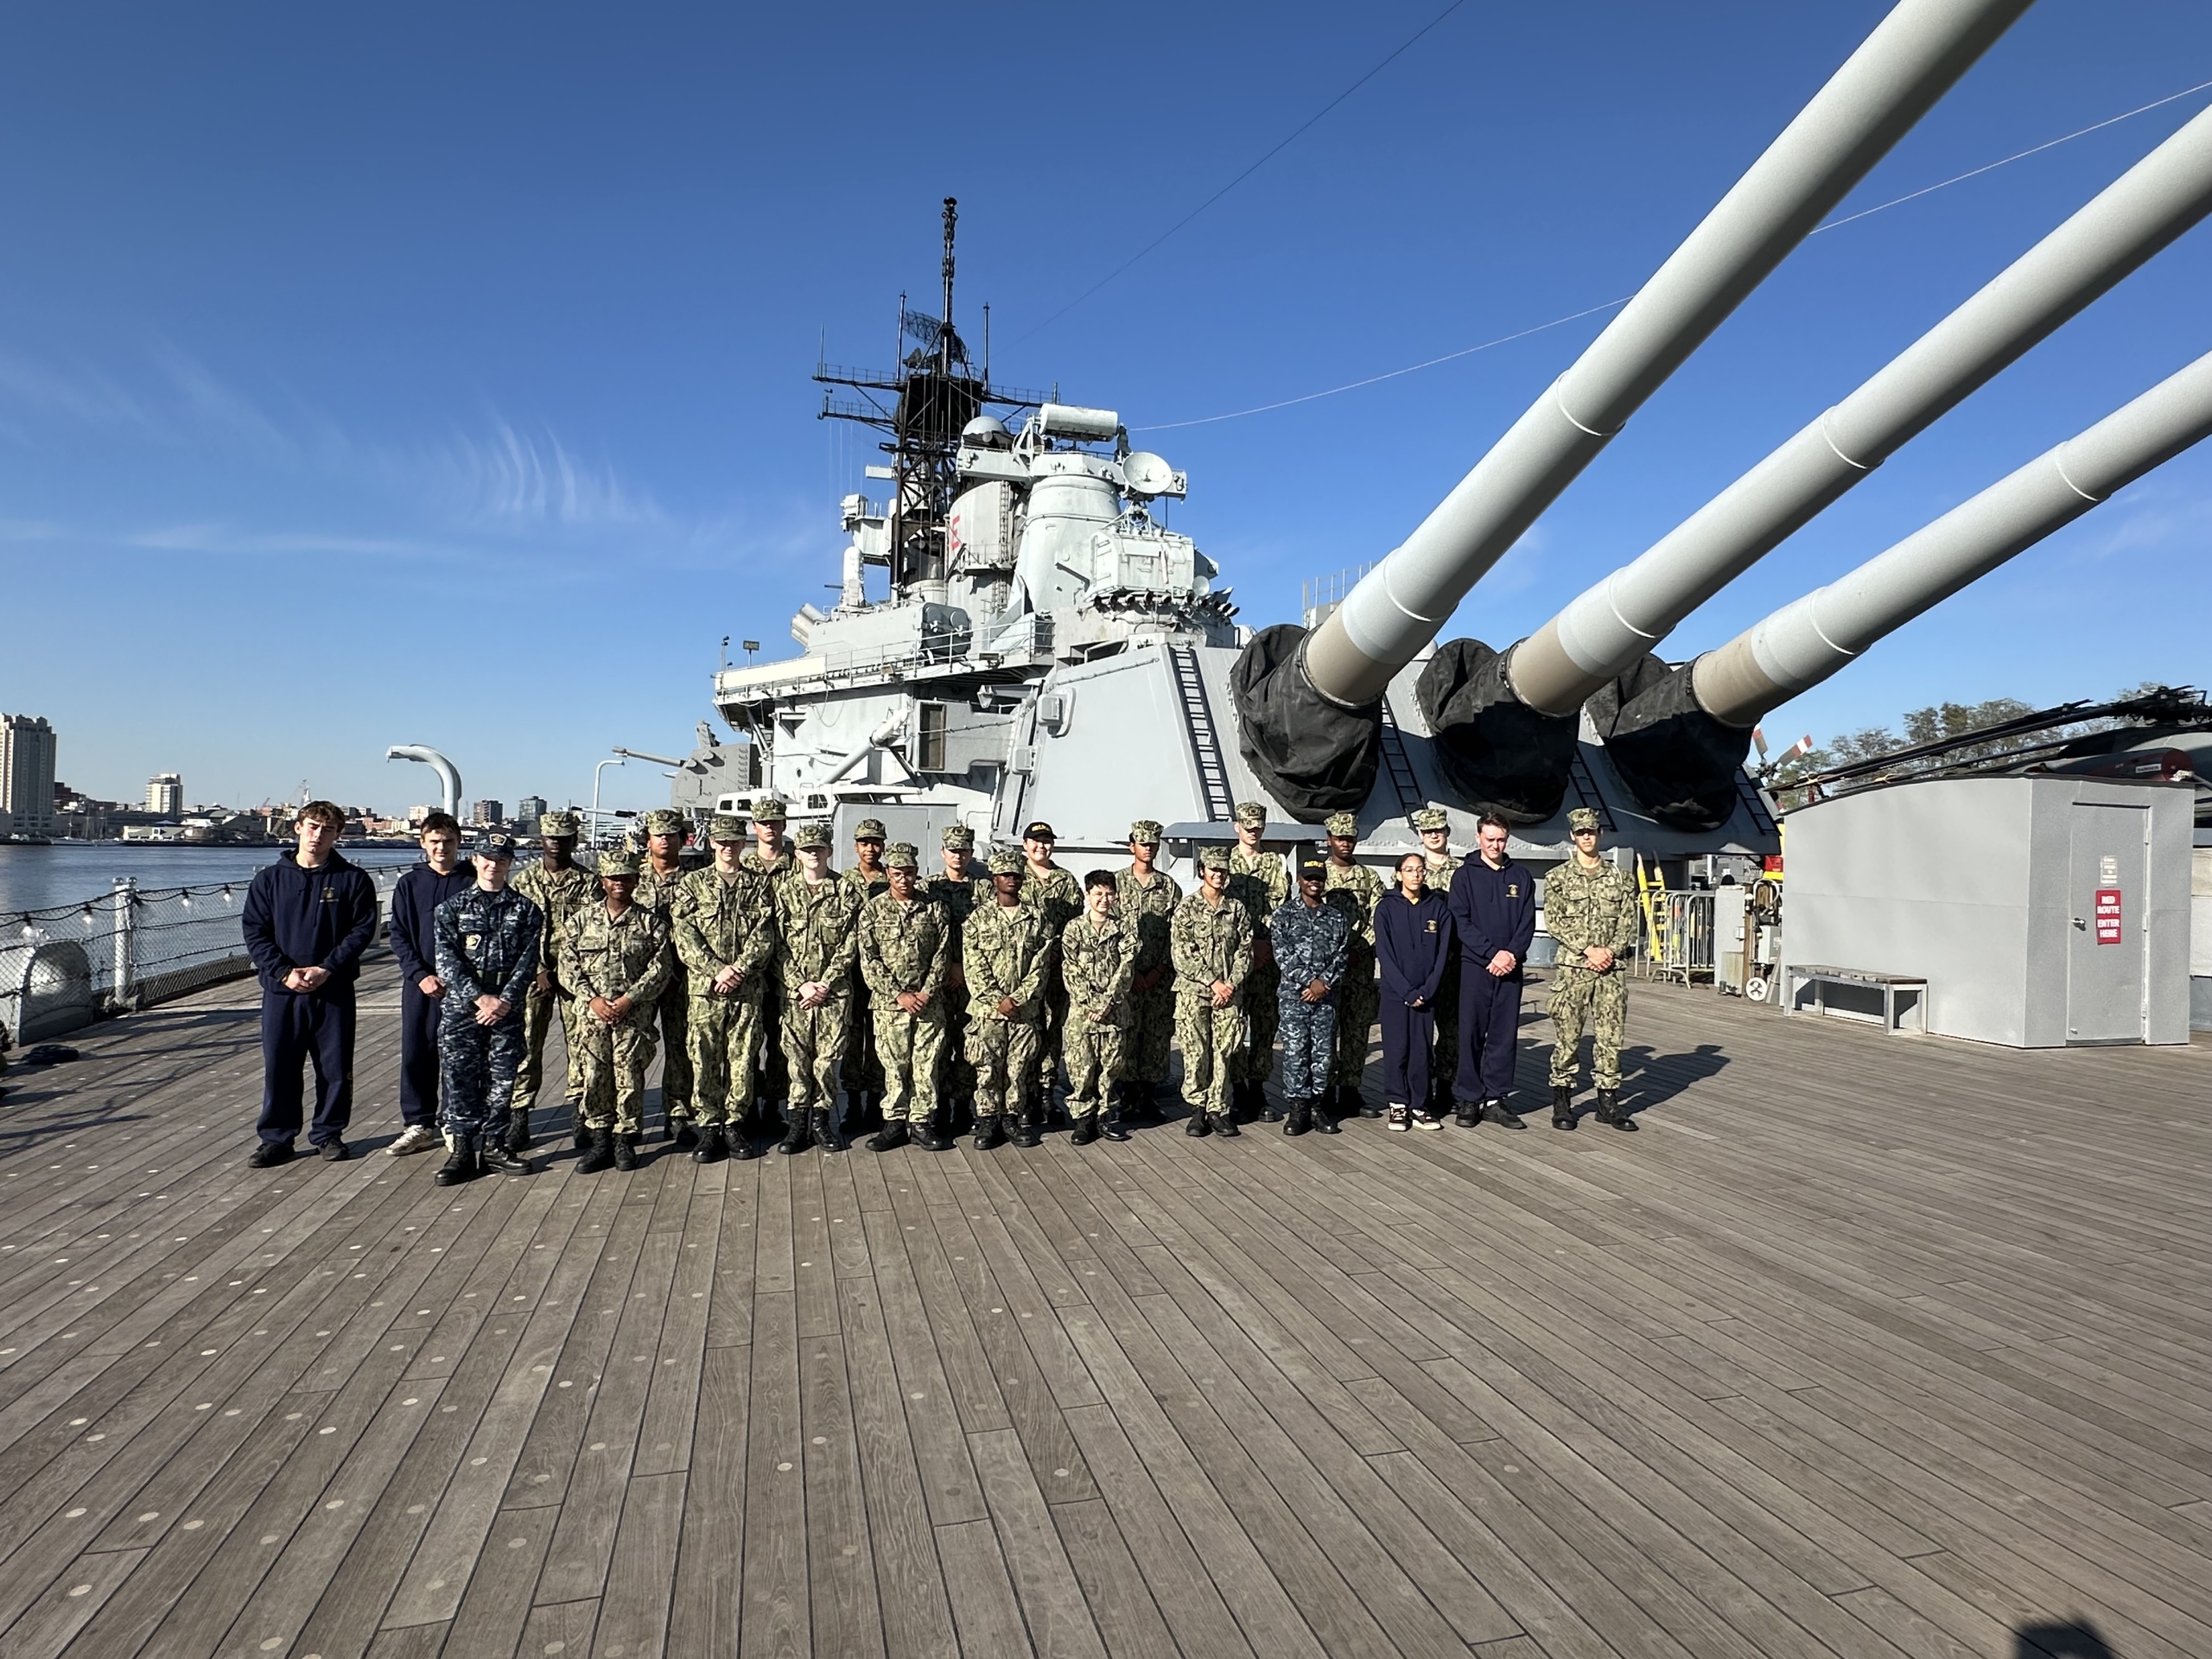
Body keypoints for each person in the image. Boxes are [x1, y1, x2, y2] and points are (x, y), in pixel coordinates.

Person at [240, 801, 380, 1166]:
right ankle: (277, 1138)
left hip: (332, 988)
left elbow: (362, 931)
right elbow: (255, 932)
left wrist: (328, 968)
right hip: (282, 990)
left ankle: (328, 1133)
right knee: (281, 1066)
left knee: (334, 1067)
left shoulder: (353, 880)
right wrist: (283, 972)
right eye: (313, 826)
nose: (318, 835)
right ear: (298, 828)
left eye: (328, 829)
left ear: (338, 835)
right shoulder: (269, 881)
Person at [429, 831, 543, 1185]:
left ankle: (495, 1145)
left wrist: (504, 1000)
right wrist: (479, 998)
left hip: (506, 1006)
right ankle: (462, 1149)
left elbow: (528, 961)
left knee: (502, 1078)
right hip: (464, 1006)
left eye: (502, 860)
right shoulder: (451, 909)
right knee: (460, 1076)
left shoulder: (526, 910)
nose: (494, 865)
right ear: (475, 860)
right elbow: (447, 960)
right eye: (488, 859)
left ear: (510, 864)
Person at [671, 815, 778, 1163]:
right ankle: (709, 1125)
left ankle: (734, 1122)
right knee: (704, 1058)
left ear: (743, 843)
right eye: (722, 841)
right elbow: (684, 935)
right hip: (706, 991)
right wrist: (718, 970)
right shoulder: (692, 884)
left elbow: (764, 934)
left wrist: (739, 969)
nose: (728, 847)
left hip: (747, 990)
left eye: (734, 841)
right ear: (712, 843)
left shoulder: (758, 886)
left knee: (742, 1059)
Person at [561, 848, 674, 1173]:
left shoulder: (651, 925)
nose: (619, 883)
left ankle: (625, 1138)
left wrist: (630, 999)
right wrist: (592, 999)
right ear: (603, 881)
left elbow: (660, 969)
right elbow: (567, 966)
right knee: (594, 1075)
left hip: (632, 1017)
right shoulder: (580, 922)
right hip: (593, 1017)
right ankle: (600, 1140)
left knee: (629, 1076)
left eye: (626, 877)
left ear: (636, 881)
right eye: (613, 878)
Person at [1545, 807, 1643, 1131]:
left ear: (1600, 834)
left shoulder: (1621, 879)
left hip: (1610, 970)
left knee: (1610, 1037)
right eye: (1581, 832)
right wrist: (1588, 950)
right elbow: (1555, 922)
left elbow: (1628, 923)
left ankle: (1608, 1101)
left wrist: (1608, 952)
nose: (1587, 837)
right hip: (1574, 968)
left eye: (1591, 831)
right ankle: (1562, 1101)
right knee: (1568, 1036)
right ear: (1572, 836)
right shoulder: (1558, 878)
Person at [509, 810, 601, 1154]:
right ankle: (519, 1115)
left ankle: (581, 1114)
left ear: (574, 841)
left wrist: (567, 973)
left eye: (564, 839)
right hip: (532, 977)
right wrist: (537, 970)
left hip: (575, 979)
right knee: (526, 1045)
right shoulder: (523, 882)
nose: (557, 844)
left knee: (581, 1046)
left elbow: (594, 934)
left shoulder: (589, 883)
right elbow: (513, 933)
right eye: (551, 838)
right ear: (541, 840)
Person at [385, 812, 475, 1158]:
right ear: (423, 843)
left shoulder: (472, 881)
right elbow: (399, 934)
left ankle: (454, 1120)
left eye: (448, 841)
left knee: (459, 1055)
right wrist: (419, 974)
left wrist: (463, 978)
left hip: (462, 986)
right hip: (421, 983)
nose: (441, 848)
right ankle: (418, 1123)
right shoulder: (410, 884)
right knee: (417, 1053)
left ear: (459, 843)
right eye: (434, 841)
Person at [857, 842, 954, 1153]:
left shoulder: (935, 908)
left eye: (909, 873)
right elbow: (869, 958)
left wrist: (926, 992)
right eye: (897, 873)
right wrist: (899, 994)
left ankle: (921, 1122)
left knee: (926, 1064)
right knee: (894, 1064)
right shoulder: (873, 910)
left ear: (917, 872)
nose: (903, 879)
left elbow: (942, 954)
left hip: (928, 1003)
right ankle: (895, 1122)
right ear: (888, 873)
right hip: (890, 1005)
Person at [772, 822, 862, 1154]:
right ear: (797, 854)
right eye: (807, 849)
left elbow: (852, 942)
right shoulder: (783, 893)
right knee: (796, 1059)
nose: (813, 854)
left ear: (829, 851)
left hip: (832, 993)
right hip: (795, 995)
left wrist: (824, 982)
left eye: (819, 849)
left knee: (826, 1060)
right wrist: (800, 984)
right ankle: (797, 1122)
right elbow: (776, 944)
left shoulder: (846, 892)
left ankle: (821, 1122)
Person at [1447, 813, 1535, 1129]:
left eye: (1501, 840)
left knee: (1503, 1034)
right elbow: (1460, 921)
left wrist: (1510, 954)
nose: (1496, 845)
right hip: (1476, 966)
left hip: (1510, 967)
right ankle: (1470, 1097)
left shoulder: (1521, 877)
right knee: (1471, 1032)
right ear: (1478, 838)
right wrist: (1491, 953)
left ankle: (1496, 1098)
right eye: (1490, 839)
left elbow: (1527, 922)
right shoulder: (1464, 877)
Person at [963, 848, 1052, 1150]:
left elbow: (1041, 964)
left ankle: (1012, 1118)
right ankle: (988, 1120)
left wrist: (1020, 998)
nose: (1011, 879)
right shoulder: (978, 919)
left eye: (1016, 875)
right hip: (988, 1012)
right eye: (1005, 875)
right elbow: (973, 965)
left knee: (1018, 1068)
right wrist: (997, 999)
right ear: (994, 878)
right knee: (987, 1067)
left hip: (1023, 1012)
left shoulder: (1036, 919)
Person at [1172, 845, 1254, 1139]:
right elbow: (1182, 953)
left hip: (1228, 994)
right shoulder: (1187, 908)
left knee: (1224, 1052)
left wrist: (1229, 984)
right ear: (1202, 871)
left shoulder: (1236, 909)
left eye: (1223, 869)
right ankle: (1198, 1108)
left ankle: (1218, 1109)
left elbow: (1245, 950)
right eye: (1213, 869)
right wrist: (1213, 982)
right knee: (1196, 1051)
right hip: (1195, 992)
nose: (1218, 874)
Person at [632, 809, 700, 1147]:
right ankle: (628, 1118)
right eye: (658, 834)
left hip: (681, 978)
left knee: (680, 1047)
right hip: (638, 979)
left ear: (682, 840)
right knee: (634, 1049)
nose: (664, 840)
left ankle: (678, 1115)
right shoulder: (631, 878)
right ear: (648, 840)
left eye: (671, 835)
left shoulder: (696, 881)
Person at [1269, 854, 1348, 1137]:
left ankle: (1316, 1106)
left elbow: (1341, 956)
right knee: (1295, 1052)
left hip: (1325, 998)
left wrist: (1322, 984)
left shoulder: (1336, 918)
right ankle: (1297, 1108)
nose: (1315, 883)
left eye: (1319, 878)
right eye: (1309, 878)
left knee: (1323, 1054)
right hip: (1295, 997)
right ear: (1300, 880)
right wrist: (1308, 982)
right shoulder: (1284, 915)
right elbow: (1282, 954)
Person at [1376, 852, 1454, 1132]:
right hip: (1396, 994)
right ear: (1398, 875)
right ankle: (1398, 1104)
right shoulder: (1386, 908)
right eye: (1409, 870)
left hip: (1426, 995)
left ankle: (1419, 1104)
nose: (1415, 875)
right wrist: (1407, 991)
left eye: (1420, 869)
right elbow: (1385, 954)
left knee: (1422, 1052)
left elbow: (1442, 954)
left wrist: (1427, 989)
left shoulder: (1438, 909)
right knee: (1397, 1050)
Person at [1112, 821, 1181, 1124]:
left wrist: (1160, 968)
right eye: (1143, 844)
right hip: (1127, 979)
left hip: (1158, 978)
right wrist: (1130, 971)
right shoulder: (1116, 883)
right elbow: (1109, 928)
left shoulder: (1168, 887)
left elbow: (1177, 933)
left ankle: (1148, 1097)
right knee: (1127, 1035)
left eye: (1153, 844)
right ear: (1132, 847)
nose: (1148, 849)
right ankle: (1127, 1098)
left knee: (1156, 1037)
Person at [1061, 870, 1135, 1144]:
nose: (1104, 899)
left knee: (1110, 1068)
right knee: (1082, 1068)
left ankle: (1105, 1117)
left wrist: (1107, 1002)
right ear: (1087, 895)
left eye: (1109, 894)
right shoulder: (1074, 929)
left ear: (1116, 896)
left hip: (1113, 1014)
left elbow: (1126, 968)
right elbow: (1070, 969)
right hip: (1083, 1016)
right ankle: (1084, 1120)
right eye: (1098, 894)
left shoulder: (1124, 929)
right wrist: (1091, 1002)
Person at [1227, 802, 1288, 1120]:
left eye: (1257, 827)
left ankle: (1258, 1088)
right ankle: (1237, 1089)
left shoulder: (1275, 864)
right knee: (1235, 1025)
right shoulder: (1225, 863)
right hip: (1235, 961)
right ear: (1236, 827)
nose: (1252, 832)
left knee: (1265, 1025)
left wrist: (1267, 946)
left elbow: (1282, 908)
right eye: (1247, 826)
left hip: (1267, 960)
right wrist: (1247, 947)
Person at [1320, 812, 1382, 1116]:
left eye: (1350, 838)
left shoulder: (1370, 877)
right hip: (1326, 970)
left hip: (1359, 968)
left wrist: (1359, 948)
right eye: (1340, 838)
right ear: (1329, 839)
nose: (1345, 843)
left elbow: (1378, 917)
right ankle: (1325, 1090)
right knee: (1325, 1030)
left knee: (1357, 1029)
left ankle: (1350, 1089)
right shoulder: (1318, 874)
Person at [1019, 821, 1082, 1116]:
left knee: (1053, 1028)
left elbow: (1075, 924)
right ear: (1025, 845)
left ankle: (1046, 1091)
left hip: (1056, 969)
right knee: (1026, 1028)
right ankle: (1025, 1092)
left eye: (1047, 841)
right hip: (1022, 970)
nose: (1041, 846)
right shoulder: (1014, 875)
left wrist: (1058, 952)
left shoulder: (1065, 880)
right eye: (1036, 841)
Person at [926, 823, 984, 1130]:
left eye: (963, 850)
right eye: (953, 850)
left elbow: (989, 934)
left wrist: (964, 968)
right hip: (938, 980)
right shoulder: (928, 889)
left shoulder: (984, 890)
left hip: (973, 980)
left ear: (971, 853)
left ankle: (963, 1106)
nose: (958, 855)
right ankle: (938, 1106)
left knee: (968, 1044)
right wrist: (949, 966)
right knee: (938, 1045)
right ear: (943, 852)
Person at [841, 818, 892, 1130]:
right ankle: (852, 1103)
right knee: (851, 1038)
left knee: (878, 1038)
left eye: (875, 842)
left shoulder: (893, 878)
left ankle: (874, 1100)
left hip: (884, 972)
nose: (870, 848)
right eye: (864, 843)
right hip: (851, 972)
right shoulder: (843, 882)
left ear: (883, 845)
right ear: (856, 846)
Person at [1412, 806, 1462, 1116]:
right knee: (1419, 1028)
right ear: (1420, 835)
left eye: (1438, 830)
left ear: (1447, 832)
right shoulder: (1413, 868)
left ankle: (1445, 1087)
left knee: (1451, 1028)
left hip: (1454, 961)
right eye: (1428, 831)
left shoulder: (1463, 871)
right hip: (1421, 963)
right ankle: (1420, 1088)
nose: (1434, 835)